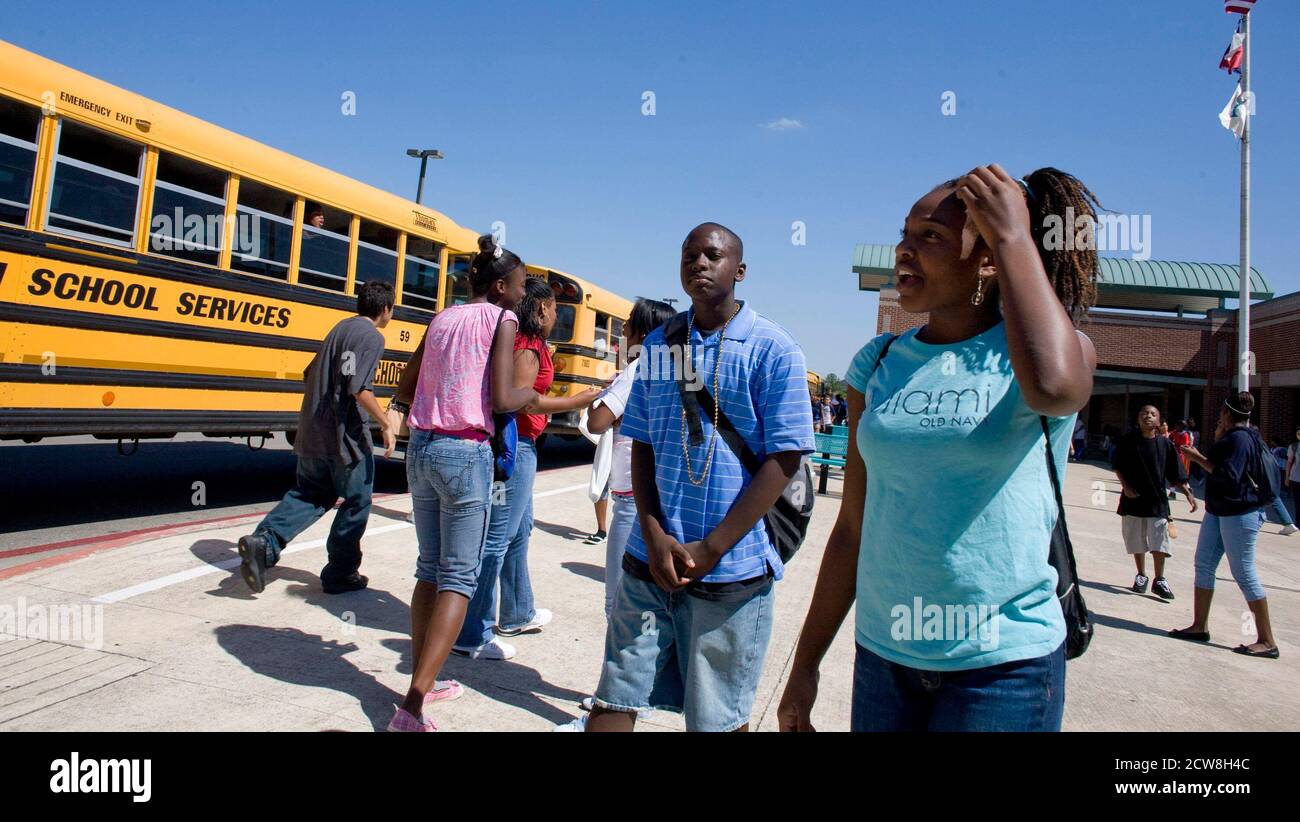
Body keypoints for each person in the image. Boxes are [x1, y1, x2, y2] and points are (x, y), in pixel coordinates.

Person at [779, 165, 1100, 732]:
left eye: (931, 237)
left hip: (1003, 667)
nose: (905, 251)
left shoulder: (1046, 353)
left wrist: (1014, 236)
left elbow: (1056, 390)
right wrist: (805, 665)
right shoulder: (877, 363)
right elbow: (853, 525)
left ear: (986, 259)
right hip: (886, 656)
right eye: (905, 234)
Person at [585, 222, 813, 732]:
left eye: (713, 255)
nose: (699, 264)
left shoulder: (773, 349)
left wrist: (713, 548)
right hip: (651, 562)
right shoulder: (662, 345)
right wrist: (653, 531)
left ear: (741, 269)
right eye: (690, 255)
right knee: (614, 698)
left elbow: (785, 459)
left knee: (717, 718)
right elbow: (640, 441)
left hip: (731, 571)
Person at [383, 234, 539, 731]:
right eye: (518, 286)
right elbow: (499, 398)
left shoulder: (442, 317)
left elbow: (406, 386)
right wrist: (534, 396)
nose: (522, 294)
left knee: (429, 570)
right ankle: (411, 706)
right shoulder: (503, 318)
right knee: (458, 578)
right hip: (465, 451)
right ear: (499, 286)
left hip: (422, 449)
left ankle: (425, 682)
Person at [453, 277, 601, 660]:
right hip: (513, 449)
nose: (556, 315)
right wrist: (575, 400)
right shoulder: (527, 347)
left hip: (523, 446)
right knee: (497, 540)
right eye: (554, 308)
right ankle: (472, 632)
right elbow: (522, 403)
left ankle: (517, 611)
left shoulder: (528, 344)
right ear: (540, 310)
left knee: (519, 532)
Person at [555, 297, 676, 731]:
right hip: (649, 498)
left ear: (643, 331)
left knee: (619, 606)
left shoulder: (637, 369)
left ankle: (619, 704)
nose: (622, 332)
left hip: (629, 500)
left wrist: (602, 395)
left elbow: (600, 419)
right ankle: (626, 699)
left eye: (627, 325)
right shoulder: (667, 369)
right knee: (636, 608)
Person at [236, 281, 397, 595]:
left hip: (313, 433)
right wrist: (385, 423)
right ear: (386, 308)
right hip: (345, 441)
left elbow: (309, 374)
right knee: (357, 501)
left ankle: (264, 544)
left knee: (309, 494)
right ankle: (341, 572)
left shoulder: (338, 329)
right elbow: (358, 388)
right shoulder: (371, 337)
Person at [1172, 392, 1280, 659]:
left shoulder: (1240, 439)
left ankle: (1267, 640)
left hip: (1240, 512)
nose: (1218, 416)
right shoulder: (1241, 436)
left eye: (1221, 412)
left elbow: (1228, 476)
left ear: (1228, 414)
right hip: (1220, 510)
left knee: (1244, 572)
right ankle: (1199, 626)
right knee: (1204, 564)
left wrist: (1197, 458)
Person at [1111, 405, 1195, 599]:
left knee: (1159, 541)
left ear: (1159, 421)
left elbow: (1175, 473)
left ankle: (1160, 580)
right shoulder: (1128, 441)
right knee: (1136, 540)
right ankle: (1141, 575)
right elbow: (1118, 467)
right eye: (1144, 413)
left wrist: (1188, 493)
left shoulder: (1165, 445)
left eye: (1152, 414)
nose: (1148, 416)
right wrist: (1126, 487)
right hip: (1132, 500)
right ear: (1138, 419)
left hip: (1157, 502)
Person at [1286, 427, 1300, 524]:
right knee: (1298, 503)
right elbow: (1289, 462)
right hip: (1296, 479)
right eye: (1298, 433)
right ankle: (1298, 523)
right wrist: (1287, 478)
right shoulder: (1294, 446)